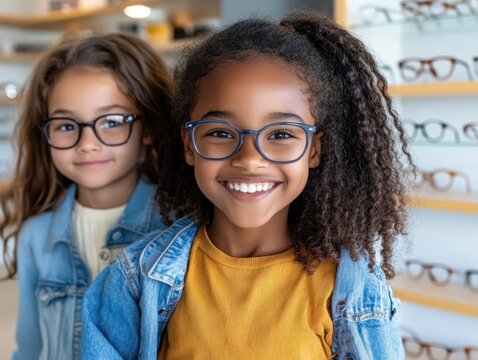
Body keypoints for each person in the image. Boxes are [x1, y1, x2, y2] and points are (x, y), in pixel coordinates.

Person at [82, 11, 413, 360]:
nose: (250, 159)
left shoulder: (352, 290)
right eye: (221, 133)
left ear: (315, 150)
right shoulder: (136, 279)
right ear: (188, 145)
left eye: (282, 134)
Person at [0, 32, 173, 360]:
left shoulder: (177, 227)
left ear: (148, 129)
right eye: (66, 126)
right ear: (46, 133)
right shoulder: (35, 238)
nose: (87, 143)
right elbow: (30, 348)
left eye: (111, 122)